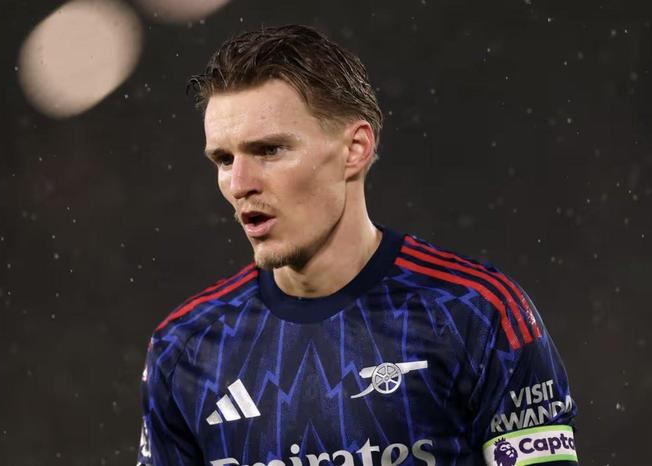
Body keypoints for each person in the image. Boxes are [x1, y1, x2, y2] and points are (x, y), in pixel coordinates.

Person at [136, 24, 579, 466]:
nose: (239, 184)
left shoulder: (476, 314)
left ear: (355, 149)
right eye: (224, 159)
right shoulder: (185, 347)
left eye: (269, 150)